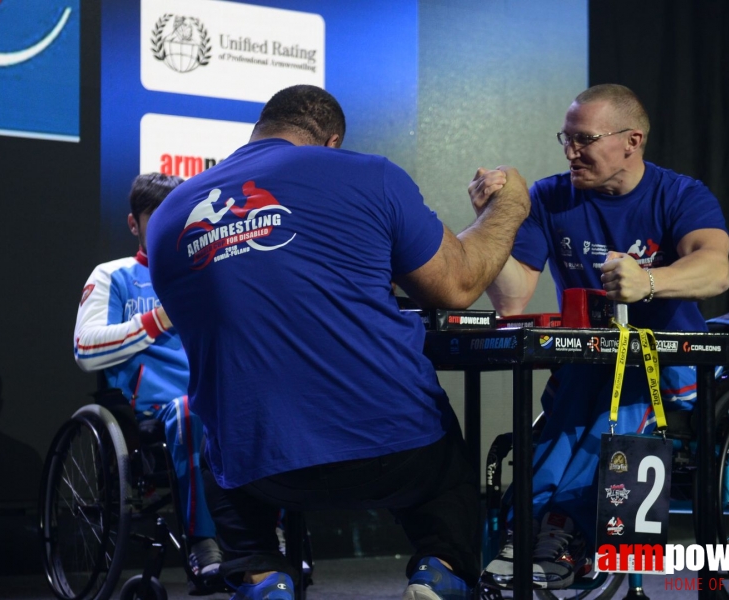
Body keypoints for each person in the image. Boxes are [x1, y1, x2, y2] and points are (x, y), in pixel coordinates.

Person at [146, 84, 530, 600]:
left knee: (222, 452)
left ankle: (262, 575)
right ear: (330, 143)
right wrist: (507, 209)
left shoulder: (169, 216)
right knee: (450, 479)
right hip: (393, 449)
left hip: (259, 463)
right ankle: (437, 572)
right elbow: (458, 285)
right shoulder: (370, 173)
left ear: (260, 130)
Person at [474, 84, 729, 590]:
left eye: (583, 140)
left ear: (631, 140)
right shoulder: (550, 197)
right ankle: (542, 528)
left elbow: (715, 270)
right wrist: (491, 220)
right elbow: (510, 300)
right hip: (588, 364)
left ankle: (558, 527)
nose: (570, 152)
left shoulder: (681, 193)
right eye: (565, 139)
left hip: (670, 363)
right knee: (585, 383)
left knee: (626, 375)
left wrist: (649, 281)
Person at [72, 173, 221, 587]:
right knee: (190, 409)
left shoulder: (205, 276)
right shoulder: (113, 276)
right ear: (134, 224)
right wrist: (157, 319)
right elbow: (86, 348)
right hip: (151, 410)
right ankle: (204, 543)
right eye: (156, 217)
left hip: (210, 395)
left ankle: (270, 537)